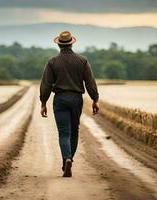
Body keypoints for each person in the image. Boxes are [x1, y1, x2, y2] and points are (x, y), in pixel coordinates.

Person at [39, 31, 99, 177]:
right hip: (77, 99)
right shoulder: (83, 61)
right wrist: (95, 99)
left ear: (59, 44)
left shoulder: (52, 62)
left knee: (63, 132)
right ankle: (70, 158)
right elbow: (90, 82)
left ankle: (66, 158)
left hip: (60, 99)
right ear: (72, 43)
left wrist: (43, 102)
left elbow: (46, 84)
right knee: (74, 130)